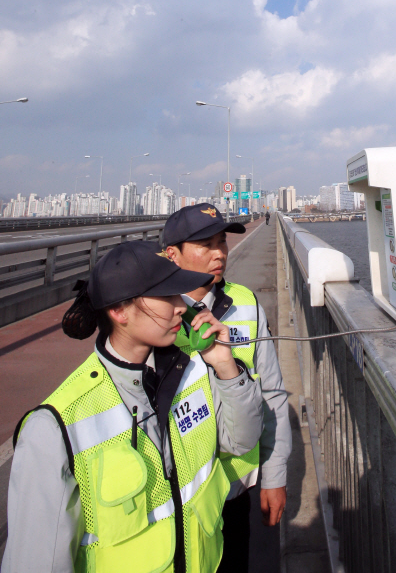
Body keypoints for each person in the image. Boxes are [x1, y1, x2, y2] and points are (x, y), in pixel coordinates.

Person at [2, 240, 263, 573]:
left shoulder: (197, 368)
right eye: (166, 296)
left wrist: (226, 367)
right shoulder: (57, 426)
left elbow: (241, 441)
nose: (181, 307)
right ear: (119, 311)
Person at [161, 204, 291, 573]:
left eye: (222, 242)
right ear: (172, 254)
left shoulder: (245, 304)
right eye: (205, 244)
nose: (219, 253)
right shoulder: (154, 313)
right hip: (178, 497)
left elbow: (273, 395)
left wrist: (275, 474)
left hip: (236, 489)